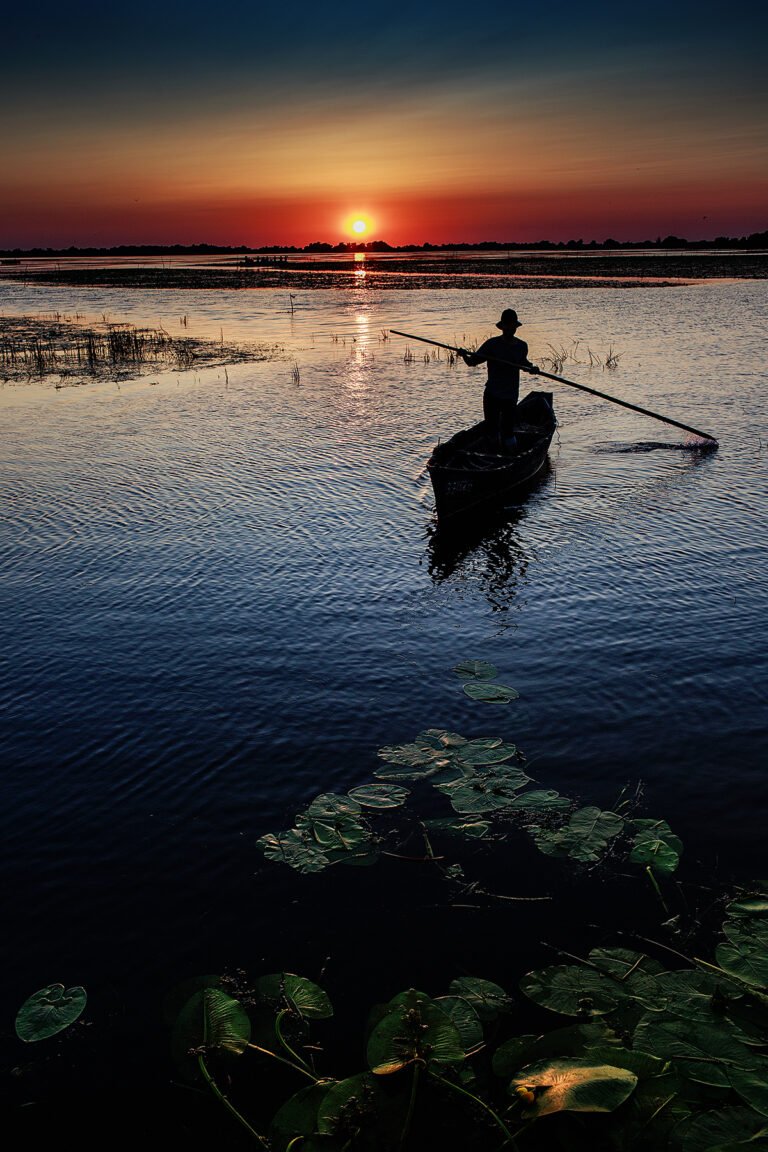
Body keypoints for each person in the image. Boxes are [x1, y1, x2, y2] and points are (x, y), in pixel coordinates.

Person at [458, 309, 539, 448]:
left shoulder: (521, 346)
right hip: (492, 395)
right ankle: (492, 454)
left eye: (512, 326)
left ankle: (511, 456)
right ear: (502, 327)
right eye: (507, 325)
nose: (510, 328)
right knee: (491, 431)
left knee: (508, 431)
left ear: (515, 327)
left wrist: (532, 368)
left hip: (510, 396)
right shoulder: (492, 345)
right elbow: (472, 362)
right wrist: (464, 355)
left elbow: (523, 363)